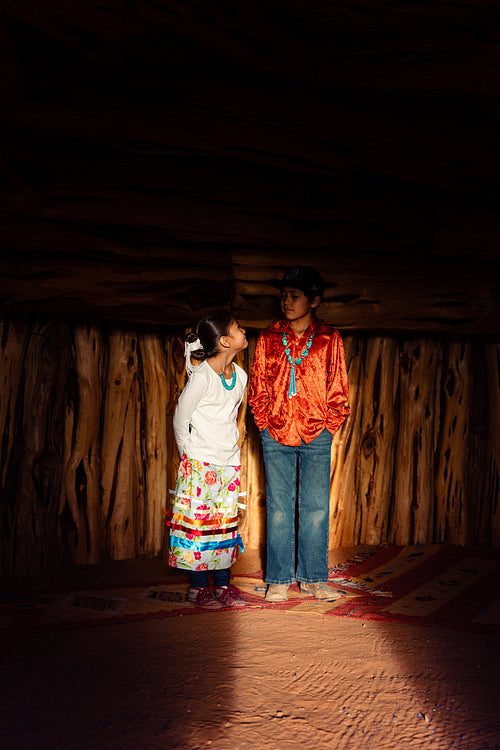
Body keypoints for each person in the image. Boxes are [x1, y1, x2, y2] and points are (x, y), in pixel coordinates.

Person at [248, 266, 350, 602]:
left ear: (315, 300)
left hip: (316, 433)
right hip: (275, 431)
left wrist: (329, 425)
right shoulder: (267, 338)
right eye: (283, 295)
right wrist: (264, 423)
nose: (286, 302)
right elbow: (258, 385)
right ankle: (278, 579)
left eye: (294, 296)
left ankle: (313, 579)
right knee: (279, 506)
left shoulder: (329, 339)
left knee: (316, 506)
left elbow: (339, 387)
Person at [166, 310, 249, 609]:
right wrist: (188, 456)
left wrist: (229, 455)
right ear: (225, 341)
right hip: (199, 465)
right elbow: (180, 419)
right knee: (199, 527)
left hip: (228, 464)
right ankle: (198, 589)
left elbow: (230, 418)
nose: (244, 331)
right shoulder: (202, 378)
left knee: (224, 526)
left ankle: (223, 586)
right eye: (239, 328)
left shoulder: (240, 376)